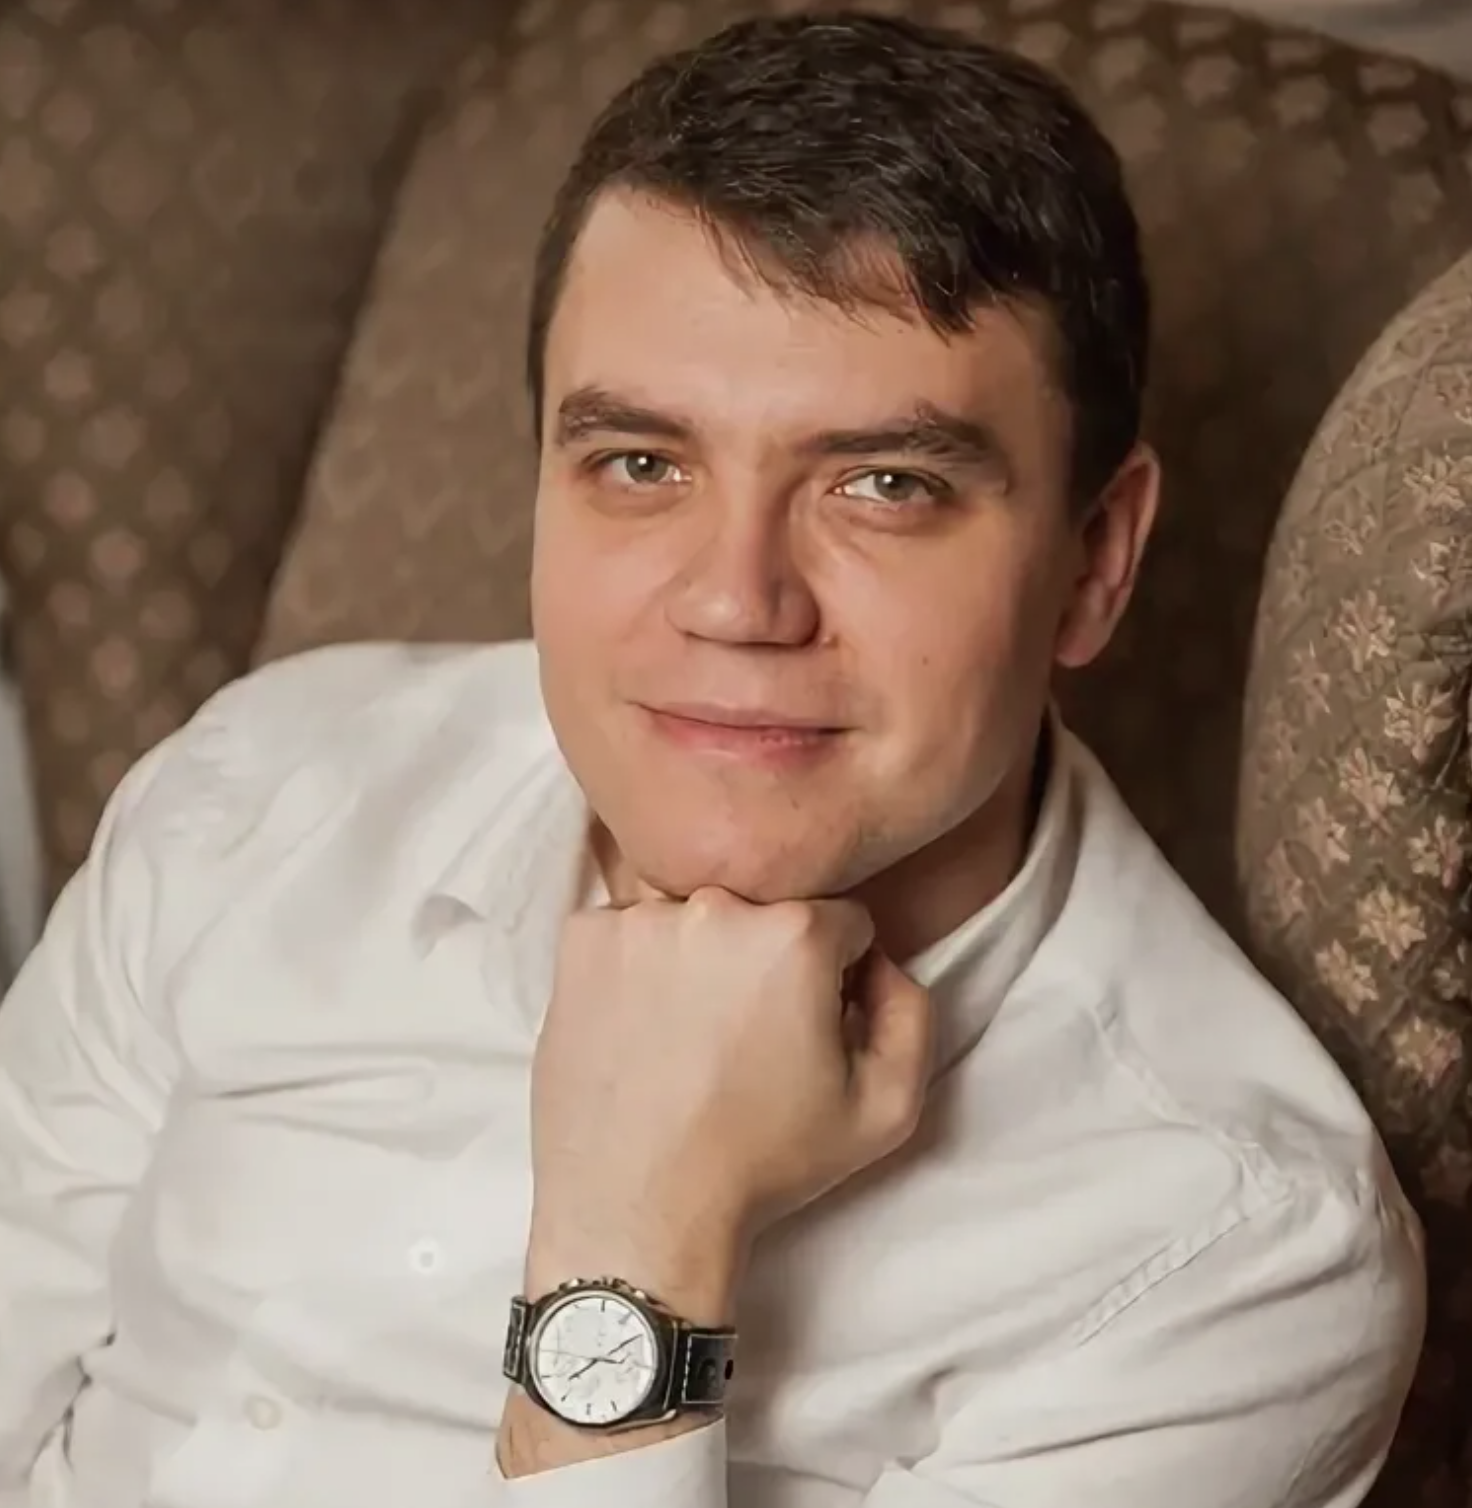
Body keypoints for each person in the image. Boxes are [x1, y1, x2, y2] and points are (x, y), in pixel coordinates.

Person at [0, 11, 1423, 1508]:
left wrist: (637, 1249)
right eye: (641, 465)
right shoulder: (267, 788)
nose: (738, 602)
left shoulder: (1240, 1260)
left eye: (885, 485)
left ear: (1095, 560)